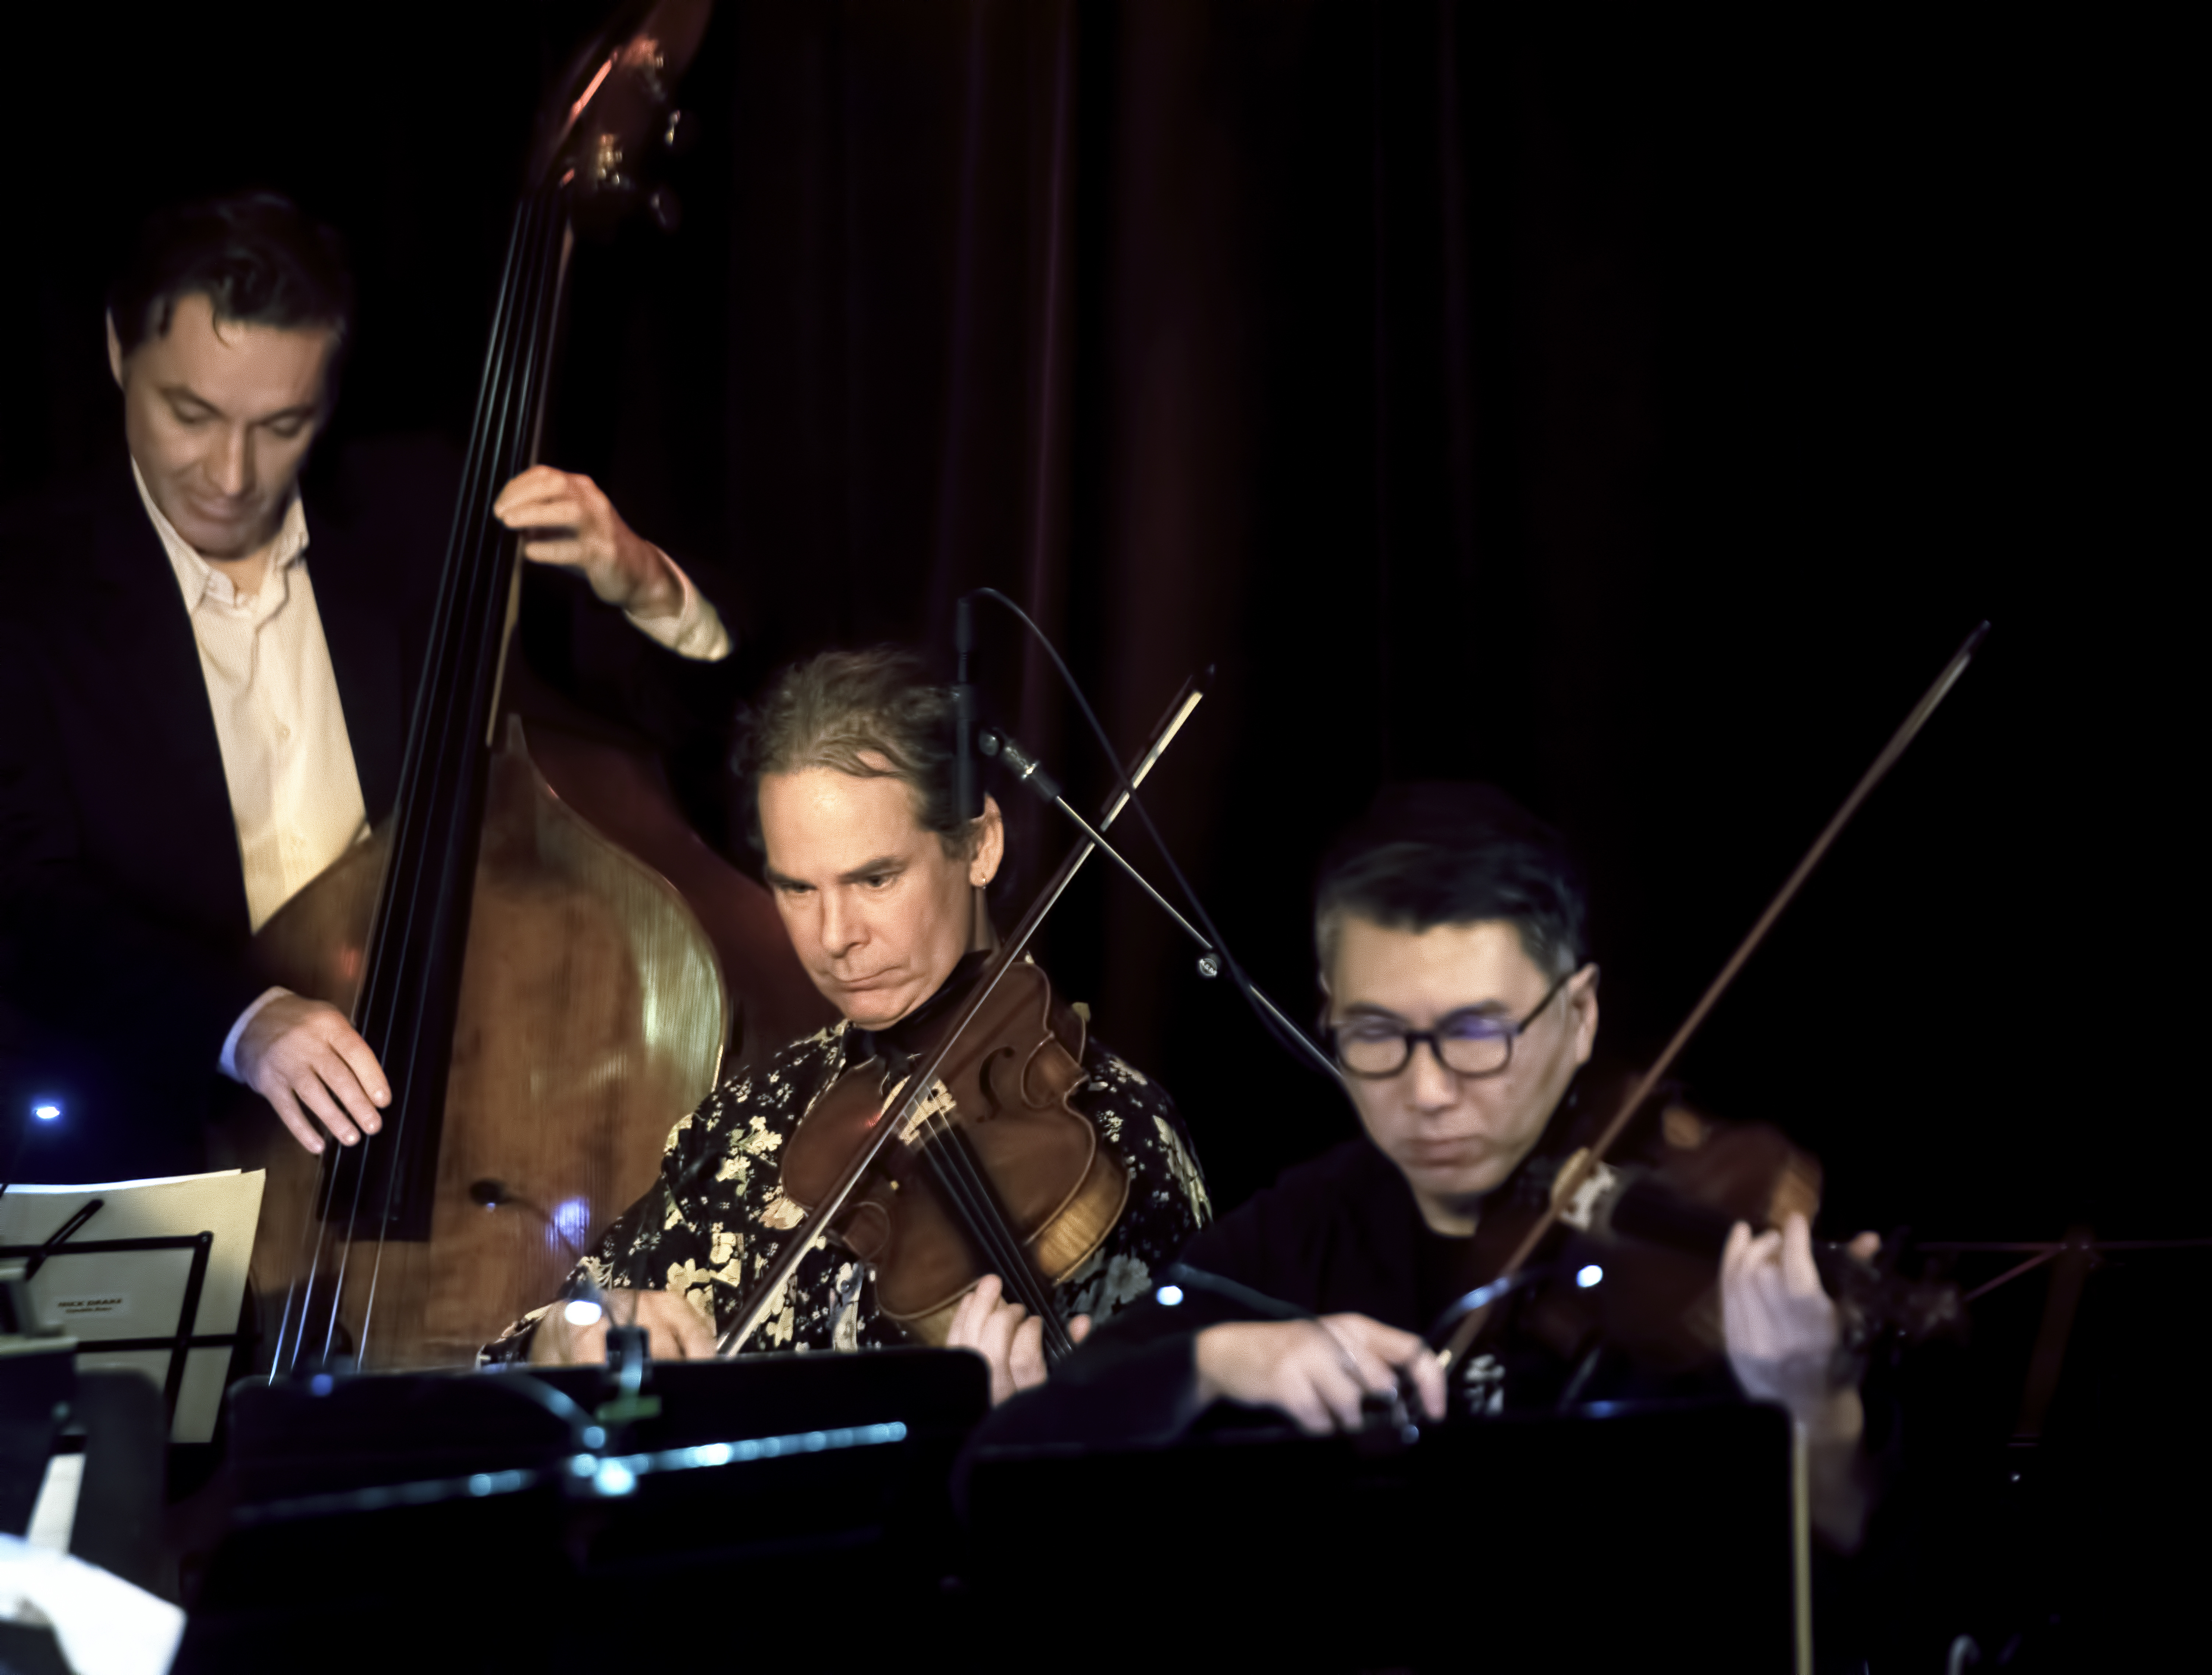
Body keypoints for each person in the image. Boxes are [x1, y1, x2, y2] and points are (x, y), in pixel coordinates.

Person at [0, 192, 739, 1182]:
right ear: (114, 352)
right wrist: (242, 1020)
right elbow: (27, 900)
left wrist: (643, 584)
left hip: (453, 1126)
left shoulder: (422, 510)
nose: (229, 471)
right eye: (191, 413)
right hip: (162, 1138)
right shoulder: (27, 582)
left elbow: (683, 742)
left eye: (281, 424)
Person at [972, 781, 1881, 1550]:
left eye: (1477, 1034)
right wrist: (1220, 1361)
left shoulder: (1696, 1253)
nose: (1430, 1089)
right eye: (1376, 1035)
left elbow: (1889, 1590)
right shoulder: (1303, 1229)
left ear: (1581, 1014)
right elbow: (1003, 1466)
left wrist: (1817, 1419)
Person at [488, 649, 1213, 1403]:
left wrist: (1016, 1441)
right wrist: (562, 1337)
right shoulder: (753, 1114)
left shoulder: (1116, 1134)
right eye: (796, 888)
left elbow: (1169, 1484)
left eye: (875, 878)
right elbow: (534, 1362)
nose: (834, 936)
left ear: (979, 845)